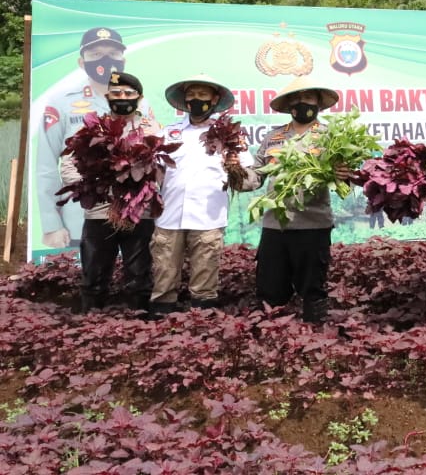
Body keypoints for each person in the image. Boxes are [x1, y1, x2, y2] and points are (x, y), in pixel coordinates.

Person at [234, 77, 347, 324]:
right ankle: (272, 341)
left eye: (307, 98)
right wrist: (236, 174)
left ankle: (316, 338)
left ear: (317, 102)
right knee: (270, 288)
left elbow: (345, 184)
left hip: (312, 224)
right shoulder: (273, 137)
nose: (302, 103)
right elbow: (256, 177)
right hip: (275, 225)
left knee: (312, 289)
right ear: (289, 106)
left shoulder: (331, 137)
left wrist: (343, 176)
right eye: (296, 99)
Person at [37, 27, 156, 249]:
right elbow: (46, 166)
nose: (105, 60)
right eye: (95, 54)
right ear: (81, 62)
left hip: (134, 216)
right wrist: (51, 224)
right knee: (92, 279)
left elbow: (152, 156)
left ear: (123, 61)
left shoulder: (141, 103)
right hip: (82, 216)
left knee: (137, 277)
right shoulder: (61, 102)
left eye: (113, 54)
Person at [61, 72, 160, 313]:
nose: (122, 98)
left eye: (128, 94)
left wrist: (138, 190)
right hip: (100, 214)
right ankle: (91, 325)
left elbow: (163, 171)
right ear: (107, 97)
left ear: (140, 98)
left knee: (139, 277)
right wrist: (96, 188)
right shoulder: (93, 128)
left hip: (139, 215)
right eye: (116, 94)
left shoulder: (153, 130)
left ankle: (141, 329)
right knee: (94, 275)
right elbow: (68, 165)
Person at [150, 74, 249, 315]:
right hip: (169, 217)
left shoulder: (229, 136)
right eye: (192, 94)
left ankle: (202, 328)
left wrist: (234, 165)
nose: (197, 99)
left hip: (208, 219)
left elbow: (246, 176)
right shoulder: (169, 133)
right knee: (163, 277)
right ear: (184, 99)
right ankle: (160, 331)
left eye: (203, 95)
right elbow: (155, 171)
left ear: (215, 99)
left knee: (205, 282)